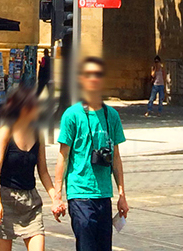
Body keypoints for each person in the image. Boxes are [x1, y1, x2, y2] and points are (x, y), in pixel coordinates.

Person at [55, 56, 128, 251]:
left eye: (98, 75)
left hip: (104, 195)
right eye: (89, 75)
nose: (93, 79)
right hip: (79, 194)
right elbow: (63, 156)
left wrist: (121, 194)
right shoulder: (72, 115)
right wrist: (57, 197)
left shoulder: (111, 115)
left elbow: (116, 158)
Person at [0, 85, 58, 249]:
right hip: (6, 200)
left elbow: (43, 172)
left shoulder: (38, 133)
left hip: (31, 204)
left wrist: (55, 198)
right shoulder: (7, 130)